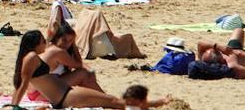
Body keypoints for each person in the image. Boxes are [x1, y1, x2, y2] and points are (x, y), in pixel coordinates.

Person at [10, 30, 151, 108]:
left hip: (61, 95)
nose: (45, 44)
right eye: (42, 41)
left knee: (112, 101)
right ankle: (155, 104)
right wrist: (15, 107)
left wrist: (13, 104)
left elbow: (21, 83)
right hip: (64, 96)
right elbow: (23, 84)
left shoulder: (29, 57)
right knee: (113, 102)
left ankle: (151, 104)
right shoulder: (35, 56)